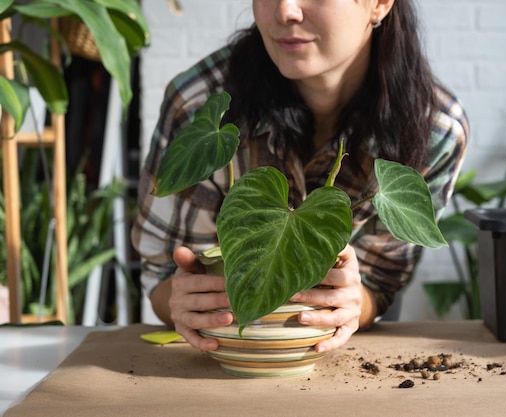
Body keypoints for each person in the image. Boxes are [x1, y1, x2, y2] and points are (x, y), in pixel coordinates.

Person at [132, 0, 469, 353]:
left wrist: (354, 302)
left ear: (380, 4)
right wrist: (183, 300)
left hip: (343, 352)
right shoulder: (200, 103)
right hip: (228, 350)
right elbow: (161, 274)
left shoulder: (434, 130)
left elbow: (377, 284)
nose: (285, 11)